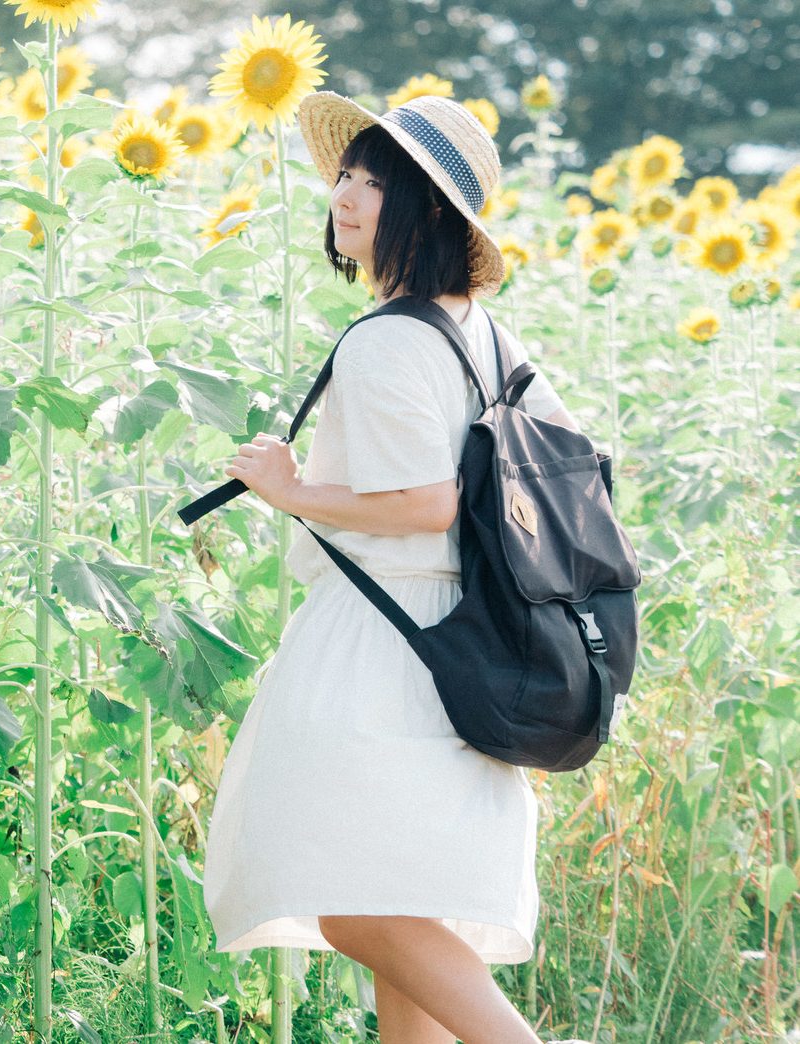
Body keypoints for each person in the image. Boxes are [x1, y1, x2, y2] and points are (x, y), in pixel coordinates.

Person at [202, 92, 586, 1044]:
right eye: (348, 174)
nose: (348, 196)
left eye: (381, 183)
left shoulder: (382, 340)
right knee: (409, 923)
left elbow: (429, 503)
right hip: (477, 651)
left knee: (354, 904)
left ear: (431, 213)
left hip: (385, 652)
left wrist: (289, 492)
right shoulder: (494, 341)